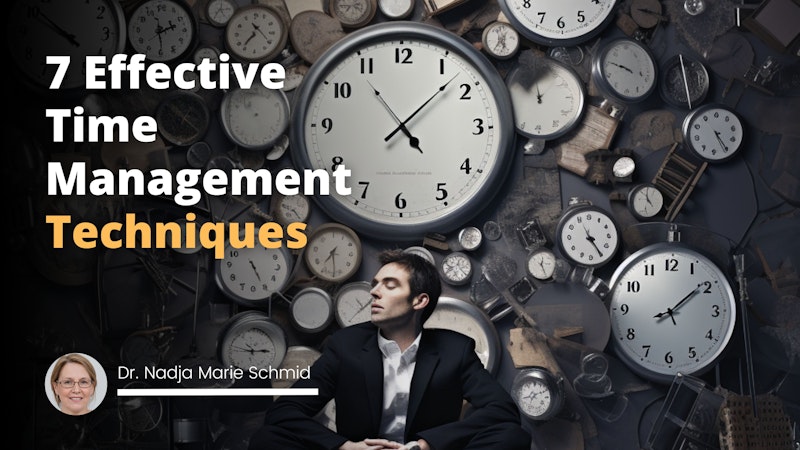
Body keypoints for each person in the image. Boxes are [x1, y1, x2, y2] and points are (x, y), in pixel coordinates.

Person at [250, 249, 531, 450]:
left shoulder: (455, 350)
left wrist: (427, 444)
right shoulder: (345, 345)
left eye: (389, 285)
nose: (374, 292)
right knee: (268, 439)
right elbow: (283, 412)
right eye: (375, 285)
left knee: (511, 437)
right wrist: (344, 446)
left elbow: (502, 411)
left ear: (419, 301)